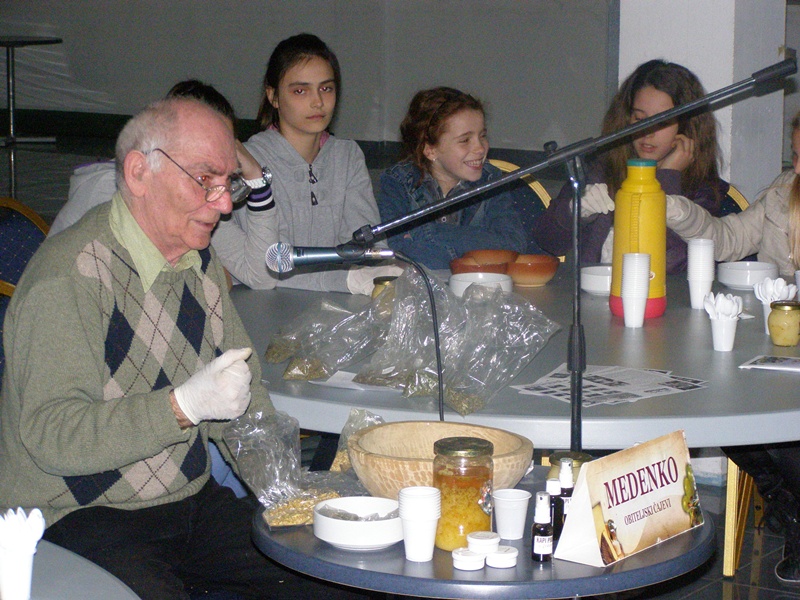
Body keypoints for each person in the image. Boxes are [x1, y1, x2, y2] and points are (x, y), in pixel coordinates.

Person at [0, 97, 367, 599]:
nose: (224, 204)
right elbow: (53, 435)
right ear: (139, 172)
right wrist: (180, 408)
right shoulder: (68, 276)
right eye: (204, 179)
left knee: (334, 578)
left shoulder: (198, 262)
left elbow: (244, 398)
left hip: (188, 504)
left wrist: (285, 495)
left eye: (228, 183)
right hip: (78, 518)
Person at [49, 80, 280, 292]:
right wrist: (214, 276)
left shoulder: (202, 198)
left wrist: (256, 179)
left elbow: (262, 275)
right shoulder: (109, 191)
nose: (225, 205)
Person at [533, 59, 740, 274]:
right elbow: (547, 241)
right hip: (592, 290)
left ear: (686, 127)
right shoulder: (601, 169)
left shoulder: (702, 190)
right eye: (640, 118)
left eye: (662, 122)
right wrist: (574, 211)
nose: (647, 132)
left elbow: (672, 265)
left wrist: (668, 178)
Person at [244, 33, 400, 292]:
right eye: (300, 91)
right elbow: (268, 265)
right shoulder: (250, 161)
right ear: (273, 96)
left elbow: (369, 250)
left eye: (326, 88)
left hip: (342, 301)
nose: (317, 102)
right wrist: (348, 280)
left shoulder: (347, 156)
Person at [377, 86, 536, 270]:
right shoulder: (398, 181)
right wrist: (473, 250)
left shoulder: (492, 180)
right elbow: (395, 252)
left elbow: (512, 243)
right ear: (430, 150)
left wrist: (427, 233)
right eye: (465, 140)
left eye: (482, 136)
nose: (480, 148)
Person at [664, 111, 800, 278]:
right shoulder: (784, 190)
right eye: (795, 155)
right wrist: (677, 210)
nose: (797, 168)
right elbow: (731, 239)